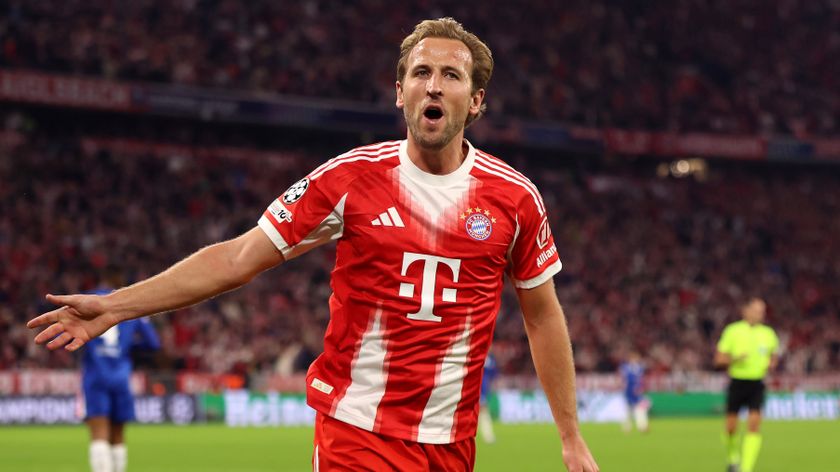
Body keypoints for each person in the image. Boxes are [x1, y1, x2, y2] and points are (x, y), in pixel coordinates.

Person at [28, 17, 598, 472]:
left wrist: (570, 438)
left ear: (475, 101)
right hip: (356, 431)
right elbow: (237, 258)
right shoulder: (349, 179)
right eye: (421, 72)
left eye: (451, 75)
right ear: (399, 93)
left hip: (450, 442)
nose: (434, 84)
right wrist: (115, 306)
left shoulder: (514, 198)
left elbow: (543, 316)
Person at [81, 288, 160, 472]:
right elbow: (153, 343)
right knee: (118, 435)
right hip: (121, 376)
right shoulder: (129, 303)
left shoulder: (89, 300)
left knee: (99, 433)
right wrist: (127, 345)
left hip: (95, 374)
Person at [714, 297, 779, 472]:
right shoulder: (733, 331)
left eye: (762, 311)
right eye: (757, 310)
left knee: (754, 424)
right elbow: (718, 359)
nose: (760, 314)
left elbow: (774, 355)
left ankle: (746, 468)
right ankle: (732, 457)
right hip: (737, 382)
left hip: (757, 383)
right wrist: (735, 358)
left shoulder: (768, 333)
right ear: (746, 311)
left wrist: (772, 363)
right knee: (730, 427)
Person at [618, 350, 648, 433]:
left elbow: (641, 379)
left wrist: (641, 388)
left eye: (636, 358)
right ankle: (626, 428)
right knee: (628, 411)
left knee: (640, 409)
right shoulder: (625, 367)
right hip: (628, 391)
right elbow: (622, 379)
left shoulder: (639, 368)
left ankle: (642, 427)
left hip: (637, 391)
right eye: (633, 358)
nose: (634, 360)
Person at [477, 350, 499, 443]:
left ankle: (487, 435)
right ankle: (488, 435)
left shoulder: (490, 357)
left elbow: (494, 375)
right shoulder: (480, 354)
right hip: (477, 387)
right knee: (483, 411)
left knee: (483, 410)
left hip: (483, 388)